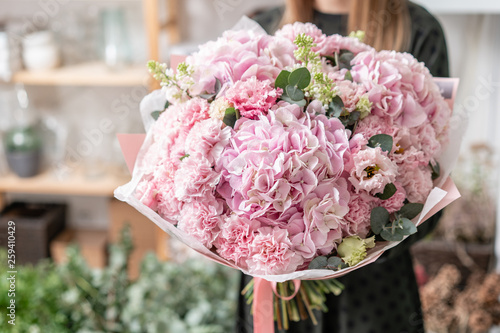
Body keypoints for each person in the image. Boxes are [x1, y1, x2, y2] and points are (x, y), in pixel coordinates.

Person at [236, 1, 449, 332]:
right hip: (274, 289)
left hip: (373, 295)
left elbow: (433, 173)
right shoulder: (260, 28)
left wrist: (338, 251)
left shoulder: (418, 29)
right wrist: (274, 250)